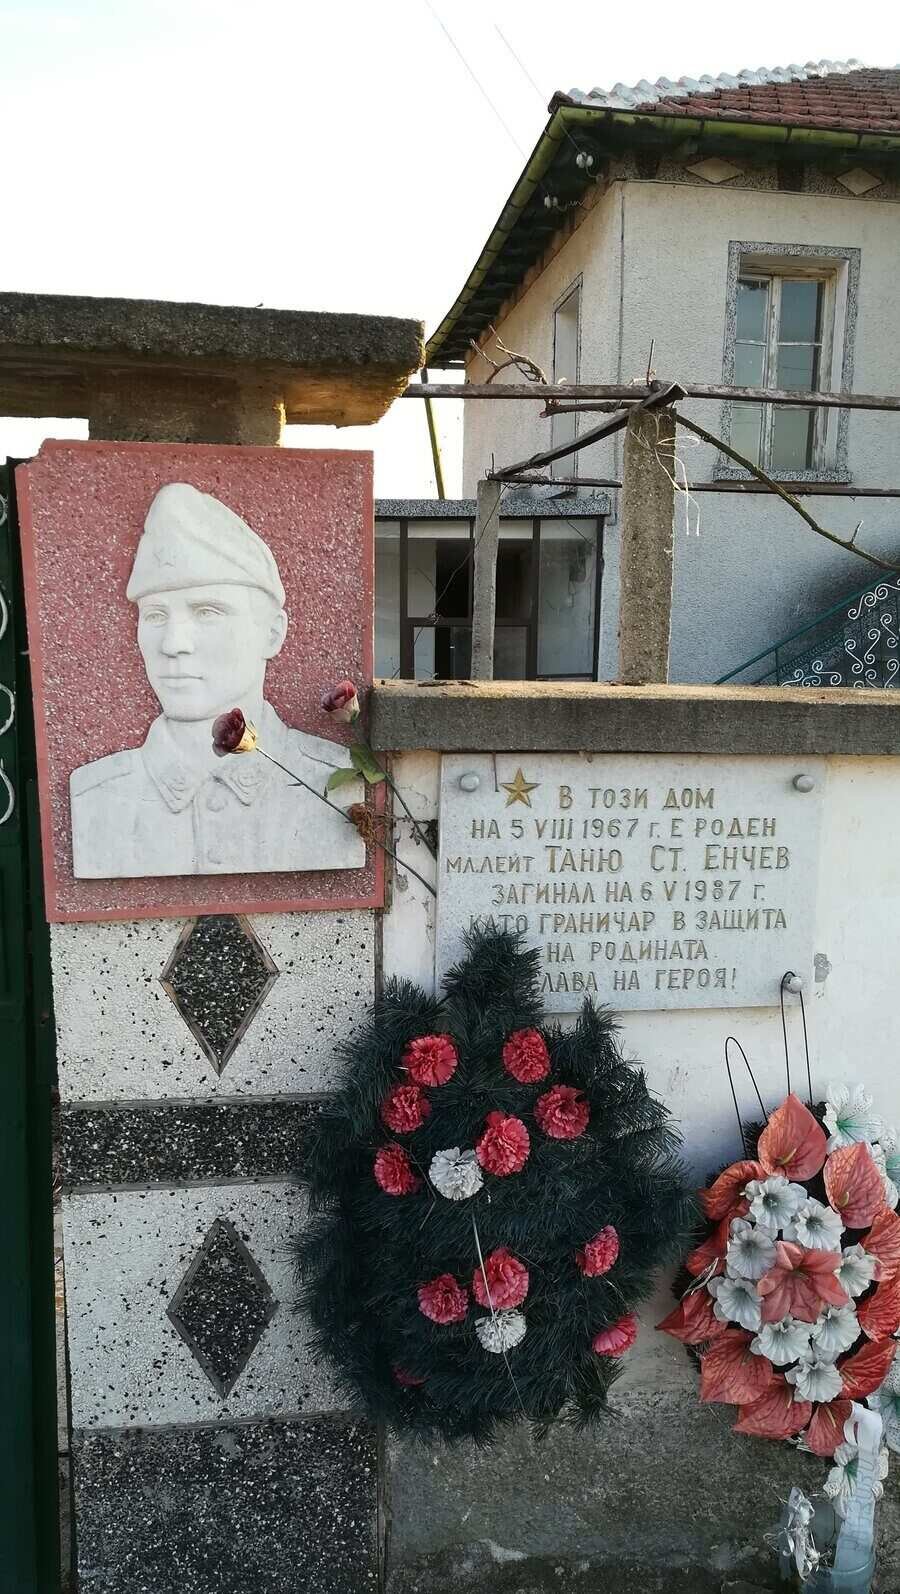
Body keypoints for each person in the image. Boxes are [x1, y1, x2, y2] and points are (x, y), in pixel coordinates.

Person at [70, 482, 364, 878]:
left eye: (206, 612)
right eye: (155, 615)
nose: (173, 644)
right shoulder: (96, 798)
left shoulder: (332, 779)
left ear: (272, 633)